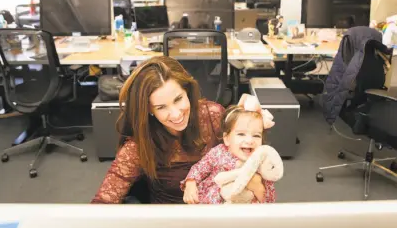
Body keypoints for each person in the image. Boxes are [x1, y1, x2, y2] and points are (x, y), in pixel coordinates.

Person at [91, 56, 272, 204]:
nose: (176, 114)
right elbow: (103, 202)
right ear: (149, 110)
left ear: (187, 91)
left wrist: (252, 120)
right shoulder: (139, 144)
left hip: (217, 215)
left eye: (178, 99)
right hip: (170, 224)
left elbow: (249, 150)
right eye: (161, 107)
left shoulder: (212, 115)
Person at [181, 104, 276, 204]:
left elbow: (269, 202)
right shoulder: (218, 152)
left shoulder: (263, 163)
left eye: (256, 135)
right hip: (211, 209)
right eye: (241, 134)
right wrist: (190, 183)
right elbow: (199, 168)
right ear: (226, 139)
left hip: (245, 215)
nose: (249, 140)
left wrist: (258, 187)